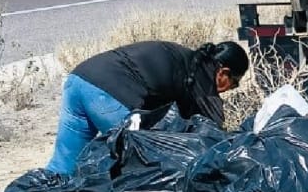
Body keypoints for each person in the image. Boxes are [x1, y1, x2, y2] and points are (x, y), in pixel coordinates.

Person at [46, 40, 249, 175]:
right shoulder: (204, 77)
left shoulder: (189, 61)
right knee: (141, 166)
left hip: (79, 80)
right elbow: (210, 131)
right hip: (109, 94)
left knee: (63, 166)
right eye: (235, 83)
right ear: (223, 73)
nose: (230, 89)